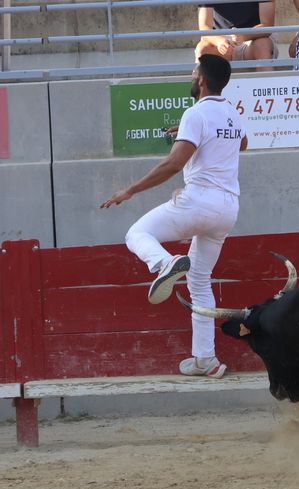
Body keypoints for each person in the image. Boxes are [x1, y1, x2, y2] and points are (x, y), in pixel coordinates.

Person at [101, 54, 247, 379]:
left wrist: (131, 190)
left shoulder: (195, 113)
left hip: (199, 201)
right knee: (199, 280)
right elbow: (242, 143)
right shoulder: (232, 115)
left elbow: (173, 164)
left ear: (202, 80)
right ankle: (205, 359)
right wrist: (188, 134)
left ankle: (164, 264)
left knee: (136, 234)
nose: (192, 76)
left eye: (194, 72)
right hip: (228, 209)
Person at [195, 1, 277, 71]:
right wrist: (220, 41)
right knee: (202, 49)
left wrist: (244, 35)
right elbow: (204, 27)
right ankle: (198, 89)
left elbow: (267, 26)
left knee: (263, 46)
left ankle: (265, 86)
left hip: (253, 38)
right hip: (220, 41)